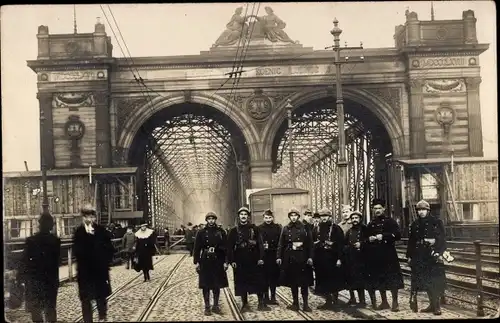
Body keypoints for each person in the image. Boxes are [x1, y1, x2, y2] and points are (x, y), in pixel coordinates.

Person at [73, 204, 114, 323]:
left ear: (94, 218)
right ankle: (87, 320)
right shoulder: (78, 233)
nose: (89, 219)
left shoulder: (101, 231)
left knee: (100, 297)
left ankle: (102, 316)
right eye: (86, 217)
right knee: (85, 299)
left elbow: (110, 249)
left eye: (91, 217)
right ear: (83, 218)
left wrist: (104, 262)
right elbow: (77, 251)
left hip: (99, 271)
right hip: (85, 272)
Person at [17, 212, 61, 323]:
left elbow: (24, 261)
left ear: (39, 224)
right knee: (50, 309)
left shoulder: (31, 241)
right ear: (51, 226)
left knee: (35, 311)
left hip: (34, 281)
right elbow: (58, 262)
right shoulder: (55, 241)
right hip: (50, 281)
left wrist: (19, 277)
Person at [406, 200, 446, 315]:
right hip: (419, 255)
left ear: (428, 210)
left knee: (434, 280)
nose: (421, 212)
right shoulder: (415, 224)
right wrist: (409, 256)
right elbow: (411, 242)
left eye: (424, 210)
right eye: (419, 210)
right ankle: (431, 305)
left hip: (432, 255)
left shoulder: (436, 222)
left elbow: (442, 239)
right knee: (425, 281)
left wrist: (437, 249)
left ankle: (437, 306)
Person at [227, 206, 269, 312]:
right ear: (239, 216)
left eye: (245, 214)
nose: (243, 216)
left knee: (259, 281)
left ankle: (261, 303)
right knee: (242, 282)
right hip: (240, 260)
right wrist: (232, 261)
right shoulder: (233, 231)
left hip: (254, 259)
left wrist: (261, 258)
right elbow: (229, 247)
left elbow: (260, 244)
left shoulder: (254, 229)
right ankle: (245, 304)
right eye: (241, 215)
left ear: (248, 216)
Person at [365, 198, 404, 312]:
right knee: (380, 279)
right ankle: (384, 302)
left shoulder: (390, 221)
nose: (377, 210)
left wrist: (384, 236)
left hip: (389, 254)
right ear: (372, 209)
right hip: (376, 255)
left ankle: (395, 302)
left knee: (392, 279)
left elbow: (397, 235)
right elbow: (365, 238)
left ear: (384, 209)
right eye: (375, 208)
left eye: (379, 208)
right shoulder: (371, 224)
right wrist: (369, 239)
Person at [277, 208, 314, 312]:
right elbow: (281, 244)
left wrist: (311, 257)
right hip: (290, 258)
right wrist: (279, 257)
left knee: (304, 283)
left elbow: (310, 244)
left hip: (303, 258)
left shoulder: (305, 228)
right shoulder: (285, 228)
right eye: (291, 215)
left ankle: (306, 304)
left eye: (295, 215)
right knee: (293, 282)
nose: (293, 217)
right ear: (289, 217)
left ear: (298, 216)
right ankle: (295, 303)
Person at [193, 212, 229, 316]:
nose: (211, 221)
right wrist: (197, 262)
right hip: (205, 261)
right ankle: (207, 307)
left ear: (215, 220)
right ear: (206, 220)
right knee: (206, 285)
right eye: (209, 219)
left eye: (213, 219)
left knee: (217, 284)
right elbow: (197, 248)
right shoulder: (201, 232)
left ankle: (216, 306)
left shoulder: (221, 232)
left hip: (218, 260)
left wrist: (226, 261)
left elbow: (226, 247)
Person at [312, 208, 345, 311]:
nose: (324, 218)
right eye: (322, 216)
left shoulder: (336, 228)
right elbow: (312, 243)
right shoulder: (316, 229)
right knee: (323, 280)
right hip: (320, 259)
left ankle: (335, 302)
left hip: (333, 259)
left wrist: (339, 258)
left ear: (330, 217)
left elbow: (341, 245)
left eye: (326, 216)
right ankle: (328, 301)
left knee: (334, 280)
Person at [343, 210, 370, 307]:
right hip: (350, 258)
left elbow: (369, 241)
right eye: (353, 218)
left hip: (361, 258)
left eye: (356, 218)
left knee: (360, 280)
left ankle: (362, 301)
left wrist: (361, 244)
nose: (354, 220)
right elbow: (344, 243)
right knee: (350, 279)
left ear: (360, 219)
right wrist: (347, 248)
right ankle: (352, 298)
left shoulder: (365, 229)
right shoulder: (349, 231)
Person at [257, 209, 282, 305]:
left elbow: (280, 242)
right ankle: (266, 297)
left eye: (270, 217)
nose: (268, 220)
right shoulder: (259, 228)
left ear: (273, 218)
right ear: (263, 218)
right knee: (265, 277)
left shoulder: (277, 227)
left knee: (273, 277)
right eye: (266, 218)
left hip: (274, 255)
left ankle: (273, 297)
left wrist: (279, 256)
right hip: (264, 256)